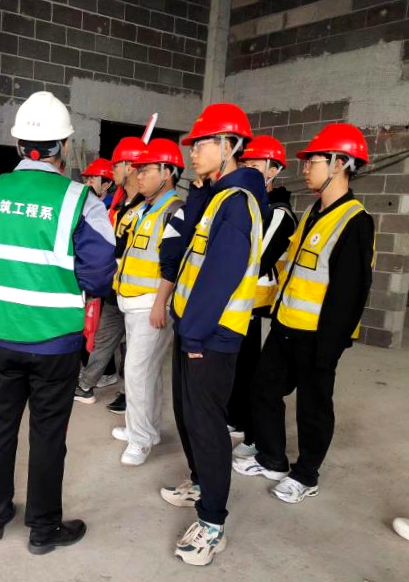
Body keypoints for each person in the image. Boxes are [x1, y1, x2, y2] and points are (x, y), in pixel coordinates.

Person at [0, 91, 117, 555]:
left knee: (0, 424)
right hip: (55, 342)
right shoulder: (81, 200)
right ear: (65, 146)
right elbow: (100, 274)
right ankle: (42, 529)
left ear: (19, 144)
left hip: (1, 335)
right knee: (48, 433)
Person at [233, 123, 375, 505]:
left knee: (314, 408)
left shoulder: (355, 221)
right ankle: (272, 458)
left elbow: (349, 294)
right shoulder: (313, 211)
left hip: (317, 335)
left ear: (339, 163)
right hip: (285, 324)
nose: (306, 168)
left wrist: (329, 349)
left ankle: (306, 474)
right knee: (263, 388)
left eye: (314, 161)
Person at [160, 103, 267, 566]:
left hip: (212, 337)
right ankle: (201, 483)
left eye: (201, 144)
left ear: (229, 146)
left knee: (207, 428)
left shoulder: (239, 204)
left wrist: (195, 335)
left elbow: (220, 278)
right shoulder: (218, 198)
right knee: (188, 417)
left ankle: (212, 525)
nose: (193, 152)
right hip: (194, 330)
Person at [111, 138, 186, 466]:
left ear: (167, 173)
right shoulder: (143, 209)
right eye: (138, 170)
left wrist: (160, 304)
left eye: (146, 170)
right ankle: (146, 430)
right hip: (132, 302)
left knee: (137, 372)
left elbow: (173, 264)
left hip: (151, 305)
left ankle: (140, 440)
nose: (138, 176)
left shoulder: (176, 211)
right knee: (147, 372)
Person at [227, 136, 297, 458]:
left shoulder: (278, 213)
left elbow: (255, 260)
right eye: (246, 165)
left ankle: (255, 437)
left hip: (261, 307)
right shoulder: (250, 206)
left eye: (255, 166)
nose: (248, 170)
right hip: (241, 303)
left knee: (254, 375)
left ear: (273, 170)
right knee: (239, 370)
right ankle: (238, 420)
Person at [74, 138, 146, 414]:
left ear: (130, 167)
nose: (112, 169)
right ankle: (85, 385)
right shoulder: (121, 205)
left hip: (139, 293)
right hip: (115, 288)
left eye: (116, 164)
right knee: (104, 339)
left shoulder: (146, 207)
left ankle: (130, 395)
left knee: (134, 349)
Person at [78, 157, 119, 388]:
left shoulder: (113, 208)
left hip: (104, 277)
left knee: (99, 328)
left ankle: (106, 373)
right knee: (90, 326)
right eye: (86, 178)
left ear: (107, 184)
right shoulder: (88, 206)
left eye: (92, 178)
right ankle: (94, 370)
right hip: (89, 275)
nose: (87, 183)